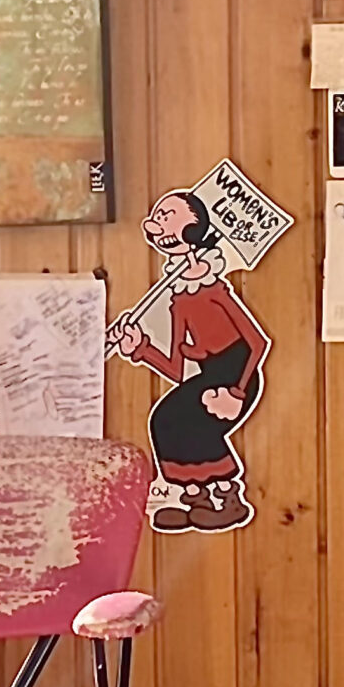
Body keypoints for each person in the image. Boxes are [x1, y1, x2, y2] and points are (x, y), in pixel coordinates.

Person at [110, 190, 270, 531]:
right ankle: (193, 498)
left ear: (194, 230)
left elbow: (258, 343)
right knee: (165, 418)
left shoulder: (216, 292)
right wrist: (140, 347)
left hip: (239, 372)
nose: (158, 223)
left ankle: (227, 497)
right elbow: (177, 369)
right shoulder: (179, 299)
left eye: (168, 216)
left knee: (197, 424)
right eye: (158, 216)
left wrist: (238, 392)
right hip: (209, 376)